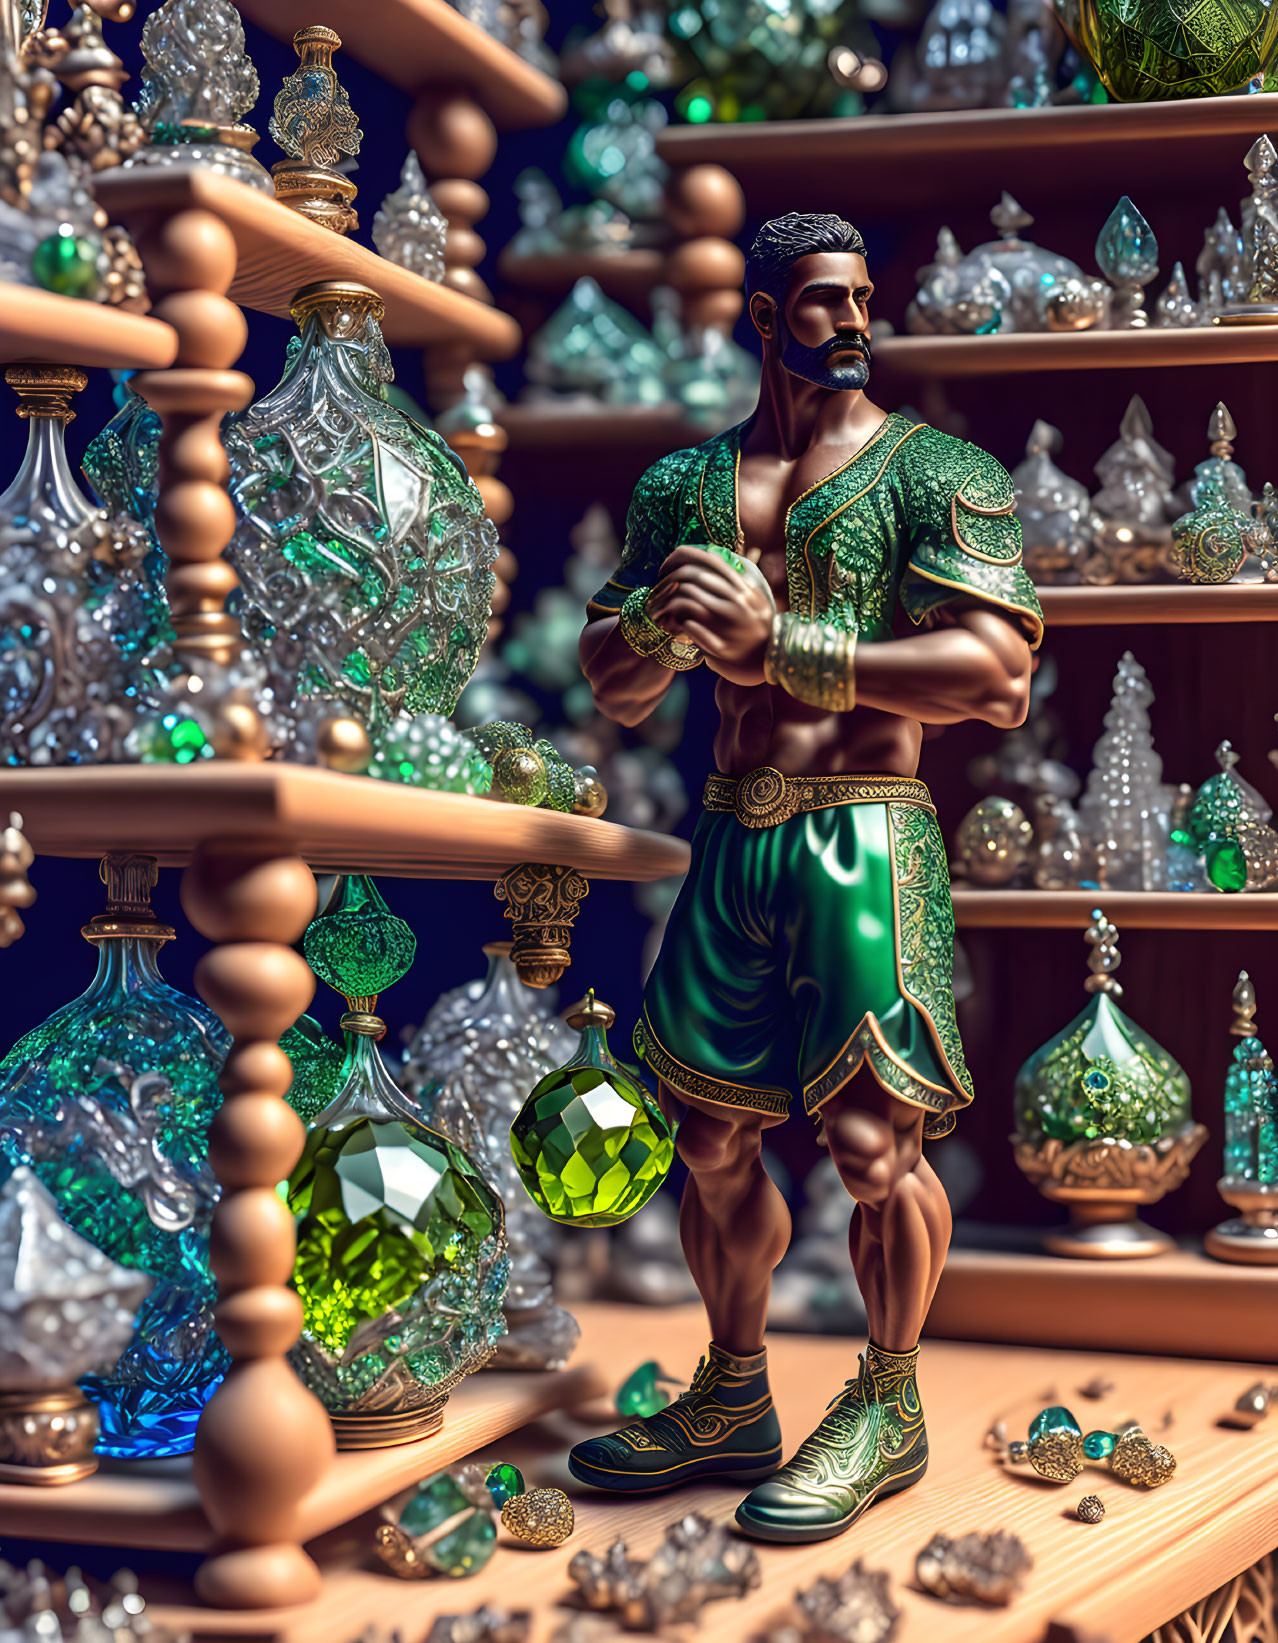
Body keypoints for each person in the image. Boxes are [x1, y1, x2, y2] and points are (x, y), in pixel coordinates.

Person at [571, 211, 1042, 1544]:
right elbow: (611, 685)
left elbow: (997, 678)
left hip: (865, 834)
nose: (849, 322)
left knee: (869, 1143)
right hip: (734, 832)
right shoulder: (681, 488)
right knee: (708, 1136)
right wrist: (663, 628)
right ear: (763, 319)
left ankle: (887, 1404)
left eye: (859, 299)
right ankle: (731, 1393)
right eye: (821, 304)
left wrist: (793, 649)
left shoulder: (936, 471)